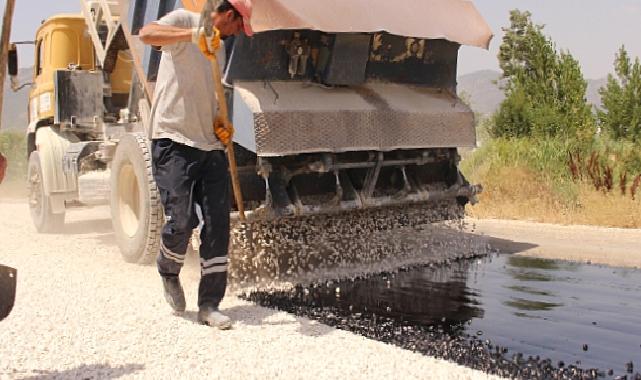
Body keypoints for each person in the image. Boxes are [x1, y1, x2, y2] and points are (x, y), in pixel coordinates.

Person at [139, 0, 253, 329]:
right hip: (173, 139)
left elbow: (212, 91)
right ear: (229, 15)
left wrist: (222, 123)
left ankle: (209, 305)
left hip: (210, 145)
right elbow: (147, 33)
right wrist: (193, 34)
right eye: (237, 27)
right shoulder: (184, 19)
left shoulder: (219, 47)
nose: (236, 34)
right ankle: (168, 269)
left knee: (219, 225)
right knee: (182, 219)